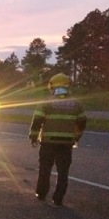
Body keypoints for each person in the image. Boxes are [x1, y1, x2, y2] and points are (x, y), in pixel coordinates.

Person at [29, 73, 86, 206]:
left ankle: (42, 193)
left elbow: (37, 121)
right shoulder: (76, 103)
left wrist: (33, 137)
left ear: (52, 86)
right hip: (66, 144)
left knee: (45, 168)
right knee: (63, 171)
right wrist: (76, 137)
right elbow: (82, 122)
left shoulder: (46, 102)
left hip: (48, 142)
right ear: (68, 86)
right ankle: (58, 198)